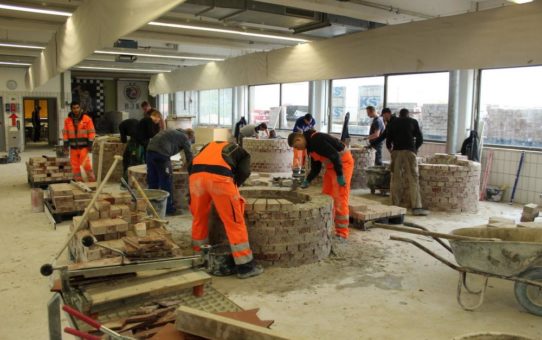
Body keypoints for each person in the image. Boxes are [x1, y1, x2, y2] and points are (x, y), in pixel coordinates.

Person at [188, 141, 263, 279]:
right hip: (219, 179)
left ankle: (200, 259)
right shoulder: (241, 152)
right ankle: (245, 266)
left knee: (199, 218)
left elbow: (191, 165)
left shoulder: (207, 146)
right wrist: (234, 186)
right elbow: (244, 171)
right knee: (234, 221)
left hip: (196, 177)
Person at [288, 129, 354, 240]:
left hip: (342, 165)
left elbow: (335, 156)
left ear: (299, 139)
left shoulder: (317, 140)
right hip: (332, 167)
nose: (297, 149)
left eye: (296, 146)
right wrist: (307, 180)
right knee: (327, 196)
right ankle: (328, 225)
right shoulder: (310, 147)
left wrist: (340, 175)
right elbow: (316, 168)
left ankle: (342, 233)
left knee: (339, 198)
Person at [386, 108, 428, 216]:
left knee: (396, 179)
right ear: (408, 115)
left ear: (399, 115)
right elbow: (420, 138)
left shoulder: (393, 123)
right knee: (413, 178)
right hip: (409, 151)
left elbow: (388, 140)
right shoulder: (413, 122)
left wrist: (391, 150)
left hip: (397, 151)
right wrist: (415, 149)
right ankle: (416, 207)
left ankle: (394, 205)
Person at [146, 128, 194, 216]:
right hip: (162, 155)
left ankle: (151, 207)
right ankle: (169, 209)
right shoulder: (185, 137)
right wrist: (191, 171)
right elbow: (189, 155)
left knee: (153, 180)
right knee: (166, 181)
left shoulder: (173, 132)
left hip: (150, 152)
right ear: (190, 137)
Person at [63, 101, 96, 182]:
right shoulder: (67, 120)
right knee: (75, 166)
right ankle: (78, 181)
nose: (76, 110)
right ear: (71, 109)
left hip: (84, 147)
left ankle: (92, 180)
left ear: (80, 108)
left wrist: (90, 144)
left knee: (86, 164)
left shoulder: (87, 119)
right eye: (74, 108)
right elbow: (65, 133)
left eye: (77, 107)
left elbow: (91, 132)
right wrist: (66, 145)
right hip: (73, 147)